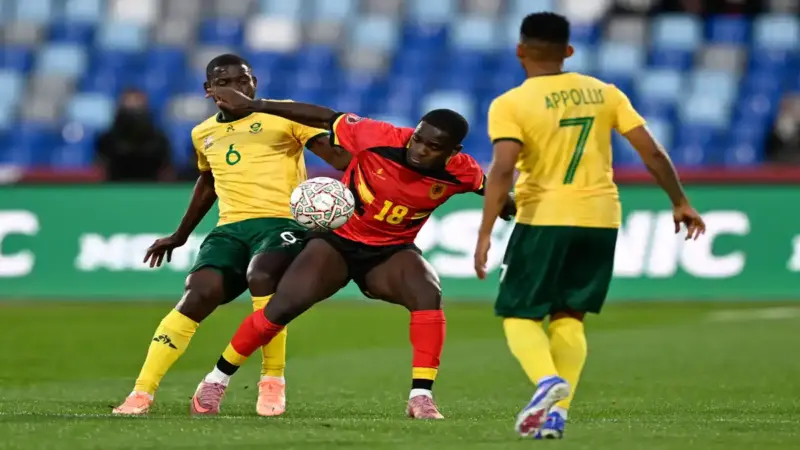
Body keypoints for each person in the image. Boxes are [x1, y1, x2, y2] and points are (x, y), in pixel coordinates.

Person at [186, 88, 516, 419]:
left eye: (433, 147)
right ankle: (215, 380)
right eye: (418, 139)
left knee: (427, 292)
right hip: (337, 242)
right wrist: (256, 105)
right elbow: (325, 116)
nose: (419, 149)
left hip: (390, 251)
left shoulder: (461, 170)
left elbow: (488, 186)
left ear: (453, 152)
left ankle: (421, 397)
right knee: (281, 308)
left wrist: (505, 204)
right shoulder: (379, 137)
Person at [473, 12, 707, 439]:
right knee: (570, 316)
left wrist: (486, 230)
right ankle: (556, 416)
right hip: (601, 218)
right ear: (568, 51)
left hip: (544, 216)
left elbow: (504, 167)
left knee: (518, 314)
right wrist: (680, 201)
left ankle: (547, 381)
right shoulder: (604, 93)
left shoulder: (510, 103)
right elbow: (652, 152)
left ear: (520, 50)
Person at [112, 54, 351, 416]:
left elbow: (339, 159)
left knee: (262, 276)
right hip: (230, 229)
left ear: (254, 83)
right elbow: (208, 183)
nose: (237, 88)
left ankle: (272, 381)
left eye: (244, 80)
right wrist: (180, 234)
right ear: (209, 90)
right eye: (225, 82)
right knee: (197, 293)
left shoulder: (283, 114)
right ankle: (141, 392)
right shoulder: (203, 133)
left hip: (282, 223)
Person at [95, 89, 172, 182]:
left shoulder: (159, 140)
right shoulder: (106, 140)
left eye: (136, 103)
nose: (132, 108)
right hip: (116, 185)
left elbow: (165, 169)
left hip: (151, 185)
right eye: (129, 104)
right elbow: (101, 167)